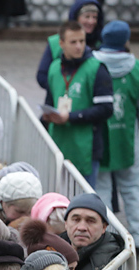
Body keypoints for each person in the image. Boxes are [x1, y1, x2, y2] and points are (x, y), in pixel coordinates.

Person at [43, 20, 114, 188]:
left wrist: (71, 117)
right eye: (73, 42)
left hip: (86, 149)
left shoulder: (97, 68)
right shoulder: (54, 67)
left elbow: (106, 109)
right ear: (61, 44)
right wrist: (47, 116)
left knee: (84, 197)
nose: (79, 46)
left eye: (82, 41)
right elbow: (50, 101)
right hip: (58, 145)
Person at [93, 20, 139, 242]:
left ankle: (108, 238)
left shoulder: (93, 65)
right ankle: (137, 235)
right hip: (127, 138)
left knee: (101, 188)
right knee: (131, 188)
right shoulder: (135, 68)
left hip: (98, 137)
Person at [62, 193, 123, 270]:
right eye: (76, 220)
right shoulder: (51, 248)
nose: (82, 227)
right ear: (66, 224)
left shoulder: (116, 262)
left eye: (90, 221)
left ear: (104, 227)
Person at [36, 0, 103, 91]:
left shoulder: (101, 42)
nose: (91, 21)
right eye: (87, 17)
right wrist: (64, 89)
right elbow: (42, 75)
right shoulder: (55, 42)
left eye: (95, 17)